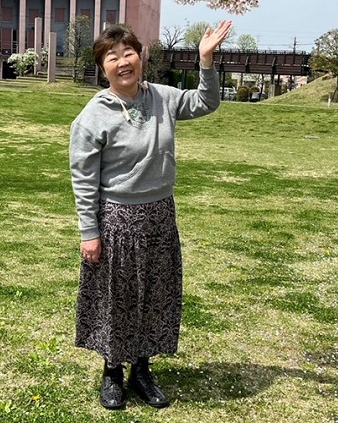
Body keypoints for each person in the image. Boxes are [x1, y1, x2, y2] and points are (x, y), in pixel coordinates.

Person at [69, 20, 233, 410]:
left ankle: (141, 369)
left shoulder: (162, 97)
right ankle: (112, 371)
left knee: (154, 296)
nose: (123, 62)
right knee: (117, 298)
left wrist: (205, 61)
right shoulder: (93, 116)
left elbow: (206, 102)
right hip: (117, 220)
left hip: (160, 216)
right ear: (102, 67)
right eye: (113, 57)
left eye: (129, 53)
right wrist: (89, 231)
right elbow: (83, 178)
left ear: (140, 56)